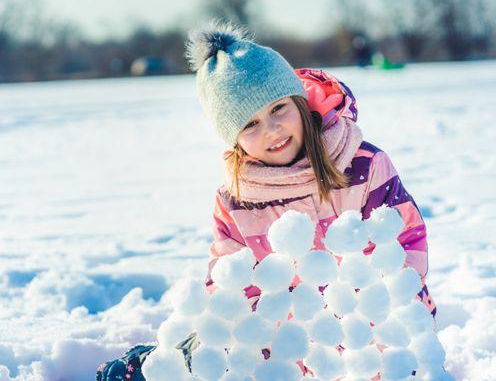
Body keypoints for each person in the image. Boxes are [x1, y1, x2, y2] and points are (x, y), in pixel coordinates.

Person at [97, 20, 436, 380]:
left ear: (299, 103)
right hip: (280, 338)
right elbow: (230, 285)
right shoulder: (237, 200)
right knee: (213, 354)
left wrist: (357, 321)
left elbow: (404, 246)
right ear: (235, 139)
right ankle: (149, 365)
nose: (271, 130)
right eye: (250, 124)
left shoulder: (364, 166)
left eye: (278, 109)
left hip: (368, 324)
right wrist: (281, 335)